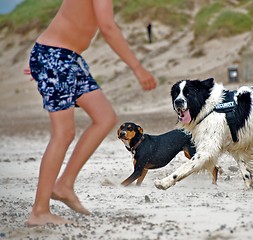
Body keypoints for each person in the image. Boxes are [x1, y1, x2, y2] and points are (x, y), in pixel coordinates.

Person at [23, 0, 157, 226]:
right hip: (55, 57)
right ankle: (39, 211)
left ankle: (64, 185)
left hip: (66, 59)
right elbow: (107, 27)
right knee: (63, 133)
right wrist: (137, 67)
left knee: (105, 118)